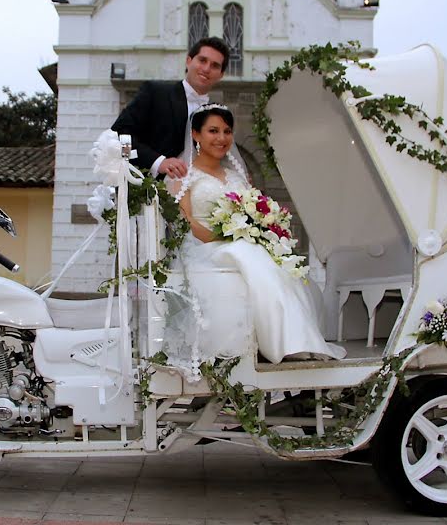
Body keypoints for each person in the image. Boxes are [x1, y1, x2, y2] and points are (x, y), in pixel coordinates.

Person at [164, 104, 346, 376]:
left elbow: (255, 210)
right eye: (213, 130)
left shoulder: (238, 176)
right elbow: (185, 222)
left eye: (227, 131)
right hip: (204, 248)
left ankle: (297, 340)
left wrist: (261, 231)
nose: (221, 138)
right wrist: (225, 237)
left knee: (279, 262)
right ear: (196, 135)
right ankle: (283, 343)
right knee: (247, 255)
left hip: (240, 241)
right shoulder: (183, 176)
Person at [111, 37, 229, 179]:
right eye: (202, 60)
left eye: (215, 65)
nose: (206, 68)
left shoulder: (217, 113)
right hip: (150, 191)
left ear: (221, 75)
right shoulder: (155, 92)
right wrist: (158, 162)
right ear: (189, 61)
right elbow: (117, 136)